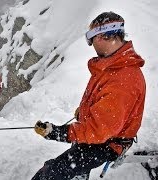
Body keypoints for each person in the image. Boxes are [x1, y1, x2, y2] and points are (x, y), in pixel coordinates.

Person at [32, 11, 146, 180]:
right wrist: (86, 111)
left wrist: (57, 132)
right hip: (99, 138)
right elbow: (104, 106)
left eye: (91, 39)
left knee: (50, 174)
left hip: (105, 144)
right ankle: (78, 174)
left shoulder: (124, 78)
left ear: (101, 37)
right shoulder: (112, 65)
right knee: (64, 166)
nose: (91, 45)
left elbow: (98, 131)